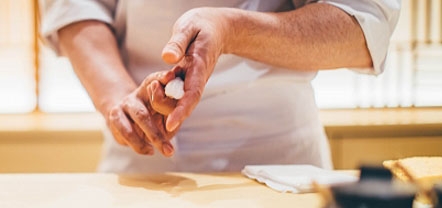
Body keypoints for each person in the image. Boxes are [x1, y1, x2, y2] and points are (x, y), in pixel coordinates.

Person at [40, 0, 400, 173]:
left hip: (280, 169)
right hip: (140, 170)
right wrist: (119, 99)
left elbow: (362, 27)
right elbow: (76, 7)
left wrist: (232, 30)